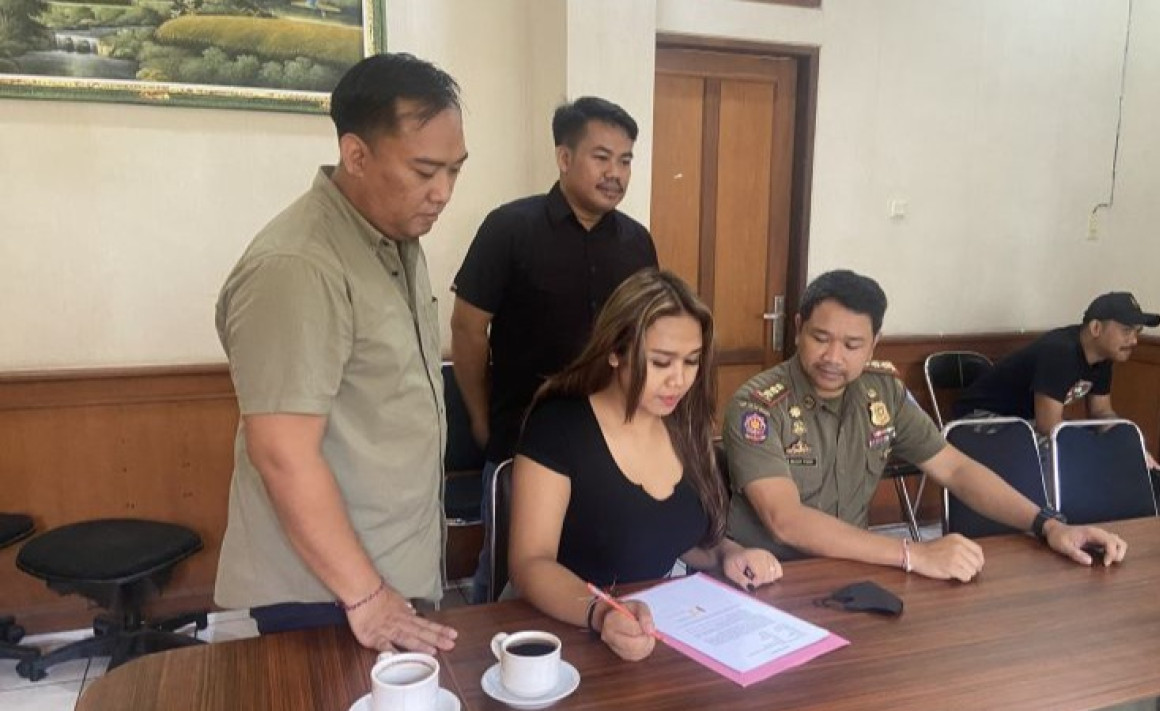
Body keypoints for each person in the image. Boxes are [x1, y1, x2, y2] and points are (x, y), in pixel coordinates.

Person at [213, 53, 467, 654]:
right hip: (329, 595)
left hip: (390, 569)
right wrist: (366, 596)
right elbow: (281, 453)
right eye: (425, 170)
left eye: (455, 170)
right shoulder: (298, 265)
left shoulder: (393, 237)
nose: (443, 193)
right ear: (356, 155)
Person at [723, 270, 1128, 580]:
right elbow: (786, 520)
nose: (833, 357)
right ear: (798, 329)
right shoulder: (758, 405)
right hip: (765, 576)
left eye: (851, 345)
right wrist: (913, 553)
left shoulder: (882, 392)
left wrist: (1048, 525)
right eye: (820, 338)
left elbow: (955, 468)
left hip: (850, 570)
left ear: (874, 344)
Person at [509, 269, 782, 661]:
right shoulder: (559, 428)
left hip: (652, 632)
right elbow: (530, 562)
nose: (678, 380)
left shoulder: (683, 425)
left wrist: (728, 554)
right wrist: (603, 612)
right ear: (614, 351)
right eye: (660, 362)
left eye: (691, 362)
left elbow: (673, 534)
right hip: (563, 639)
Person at [450, 96, 658, 603]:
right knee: (507, 568)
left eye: (625, 160)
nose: (615, 173)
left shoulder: (637, 242)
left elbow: (647, 335)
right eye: (602, 157)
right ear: (564, 158)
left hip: (609, 439)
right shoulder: (508, 228)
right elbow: (468, 330)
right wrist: (481, 421)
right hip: (522, 435)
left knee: (595, 558)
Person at [952, 291, 1160, 467]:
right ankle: (1055, 507)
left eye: (1137, 332)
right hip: (978, 419)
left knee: (1106, 443)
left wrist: (1129, 443)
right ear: (1096, 328)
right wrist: (1100, 448)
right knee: (1061, 450)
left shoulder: (1103, 358)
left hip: (1024, 423)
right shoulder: (1060, 351)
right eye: (1126, 330)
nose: (1134, 340)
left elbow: (1101, 412)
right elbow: (1048, 425)